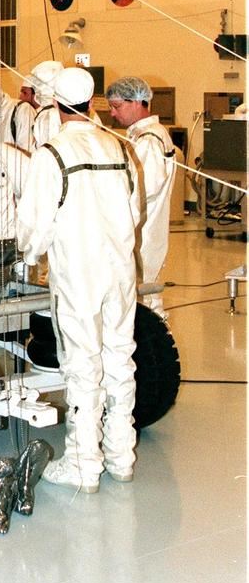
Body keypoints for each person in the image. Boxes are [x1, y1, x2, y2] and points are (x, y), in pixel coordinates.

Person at [16, 66, 141, 492]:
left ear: (54, 104)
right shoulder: (120, 148)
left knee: (82, 363)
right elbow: (134, 213)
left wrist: (27, 257)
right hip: (121, 271)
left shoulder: (52, 155)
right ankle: (122, 456)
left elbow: (33, 227)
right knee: (120, 358)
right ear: (92, 104)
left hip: (78, 274)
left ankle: (84, 463)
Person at [107, 76, 176, 320]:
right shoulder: (144, 135)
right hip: (144, 234)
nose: (113, 114)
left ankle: (153, 354)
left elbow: (139, 192)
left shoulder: (149, 141)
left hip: (142, 235)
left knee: (146, 303)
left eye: (116, 107)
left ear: (137, 102)